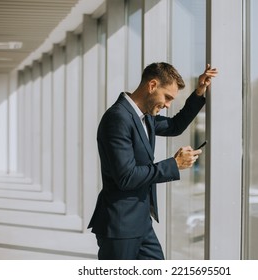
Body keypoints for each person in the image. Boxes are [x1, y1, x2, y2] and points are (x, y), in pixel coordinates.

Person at [88, 62, 218, 260]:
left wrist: (199, 91)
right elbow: (126, 177)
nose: (167, 105)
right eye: (167, 97)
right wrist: (174, 164)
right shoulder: (118, 118)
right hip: (120, 226)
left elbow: (175, 126)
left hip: (141, 222)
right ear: (152, 85)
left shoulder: (145, 117)